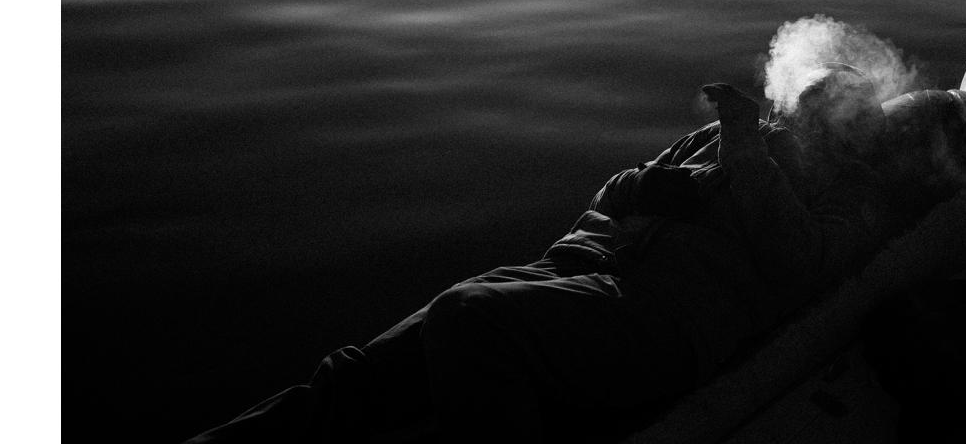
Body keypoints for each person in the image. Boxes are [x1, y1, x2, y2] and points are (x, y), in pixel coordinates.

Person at [184, 65, 894, 444]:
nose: (795, 117)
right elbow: (611, 196)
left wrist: (745, 153)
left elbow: (802, 266)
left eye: (819, 110)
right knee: (366, 370)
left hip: (660, 315)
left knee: (471, 319)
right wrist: (647, 182)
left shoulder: (847, 189)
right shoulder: (725, 141)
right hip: (570, 268)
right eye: (797, 104)